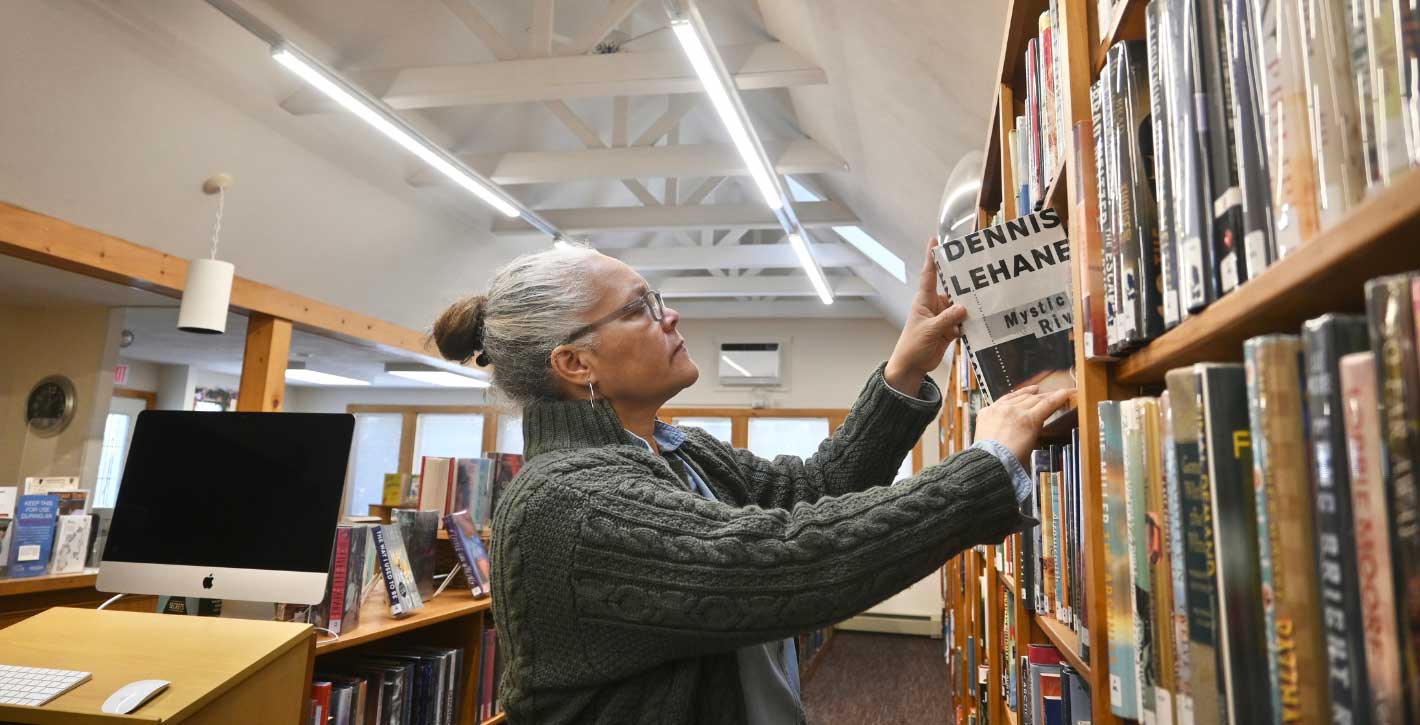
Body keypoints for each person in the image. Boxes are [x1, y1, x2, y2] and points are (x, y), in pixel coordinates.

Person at [431, 242, 1073, 724]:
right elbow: (789, 561)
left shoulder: (676, 448)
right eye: (642, 308)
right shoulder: (564, 502)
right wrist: (985, 469)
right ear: (575, 362)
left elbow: (813, 492)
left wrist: (905, 368)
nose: (671, 315)